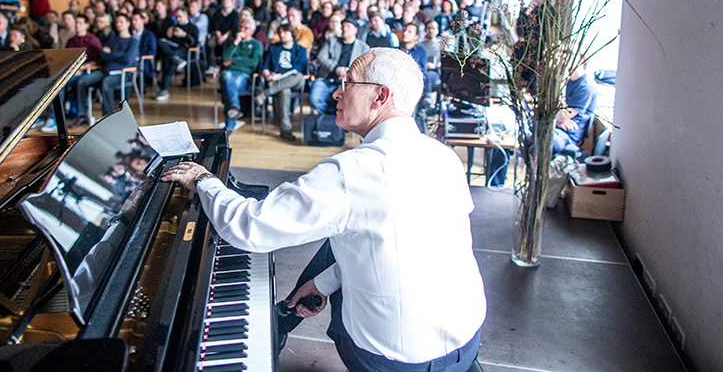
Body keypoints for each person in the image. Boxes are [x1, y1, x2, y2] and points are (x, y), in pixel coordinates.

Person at [163, 48, 485, 372]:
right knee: (361, 235)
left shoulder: (350, 172)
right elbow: (405, 247)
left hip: (394, 358)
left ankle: (284, 323)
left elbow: (251, 228)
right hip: (467, 338)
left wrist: (203, 179)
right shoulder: (443, 156)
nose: (336, 92)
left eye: (348, 82)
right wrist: (323, 283)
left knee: (340, 242)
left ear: (380, 97)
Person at [76, 13, 140, 119]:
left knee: (106, 83)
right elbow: (102, 55)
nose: (118, 24)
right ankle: (82, 115)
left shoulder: (133, 41)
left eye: (121, 22)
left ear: (128, 24)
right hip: (105, 71)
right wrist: (118, 55)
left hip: (122, 73)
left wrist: (111, 54)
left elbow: (127, 59)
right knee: (82, 81)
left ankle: (107, 116)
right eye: (117, 22)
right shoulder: (112, 39)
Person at [258, 23, 308, 142]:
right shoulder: (273, 48)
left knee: (298, 76)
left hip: (294, 80)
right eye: (280, 32)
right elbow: (265, 66)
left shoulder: (300, 49)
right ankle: (286, 130)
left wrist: (280, 76)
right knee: (284, 91)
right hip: (277, 81)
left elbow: (300, 69)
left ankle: (267, 92)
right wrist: (267, 74)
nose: (282, 35)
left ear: (292, 34)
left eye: (285, 32)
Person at [310, 18, 369, 114]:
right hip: (327, 78)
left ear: (355, 30)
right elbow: (321, 57)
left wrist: (348, 72)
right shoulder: (332, 41)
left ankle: (338, 119)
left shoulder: (363, 48)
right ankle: (330, 116)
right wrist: (335, 68)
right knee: (314, 99)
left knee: (349, 101)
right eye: (343, 26)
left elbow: (365, 66)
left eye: (348, 26)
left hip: (348, 82)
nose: (344, 29)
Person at [220, 19, 263, 132]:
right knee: (227, 76)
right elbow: (224, 59)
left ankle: (229, 125)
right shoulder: (231, 42)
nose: (241, 29)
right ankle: (235, 107)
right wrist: (236, 42)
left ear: (252, 31)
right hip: (229, 74)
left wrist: (234, 60)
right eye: (240, 27)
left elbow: (253, 63)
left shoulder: (256, 44)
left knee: (227, 86)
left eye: (245, 28)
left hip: (245, 76)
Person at [553, 60, 598, 155]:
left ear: (581, 59)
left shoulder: (586, 87)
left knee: (548, 141)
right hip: (554, 127)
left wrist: (561, 82)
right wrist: (555, 119)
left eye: (569, 54)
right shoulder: (564, 80)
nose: (564, 58)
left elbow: (562, 116)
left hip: (567, 135)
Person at [155, 6, 199, 102]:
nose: (178, 19)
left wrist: (184, 35)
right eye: (176, 17)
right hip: (173, 49)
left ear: (186, 15)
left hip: (185, 51)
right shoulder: (174, 26)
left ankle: (164, 89)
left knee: (167, 59)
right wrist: (168, 35)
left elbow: (194, 44)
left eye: (180, 16)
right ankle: (176, 59)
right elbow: (167, 41)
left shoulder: (193, 27)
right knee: (160, 42)